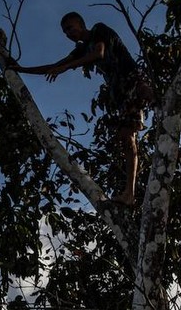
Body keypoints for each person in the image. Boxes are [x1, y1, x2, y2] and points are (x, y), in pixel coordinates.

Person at [10, 11, 155, 206]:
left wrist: (64, 69)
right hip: (120, 93)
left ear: (81, 23)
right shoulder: (81, 49)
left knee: (146, 92)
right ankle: (129, 193)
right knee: (126, 137)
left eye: (70, 28)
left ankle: (164, 104)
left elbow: (99, 52)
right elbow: (55, 65)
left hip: (132, 77)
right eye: (64, 32)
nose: (68, 34)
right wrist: (19, 69)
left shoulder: (98, 29)